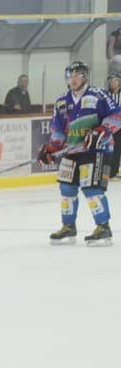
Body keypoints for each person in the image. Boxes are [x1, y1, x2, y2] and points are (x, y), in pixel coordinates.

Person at [39, 61, 121, 246]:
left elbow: (117, 115)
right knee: (66, 188)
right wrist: (52, 148)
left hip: (96, 149)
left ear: (85, 77)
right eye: (70, 76)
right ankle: (68, 226)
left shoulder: (98, 94)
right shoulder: (61, 101)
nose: (73, 79)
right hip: (72, 150)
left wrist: (102, 130)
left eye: (78, 75)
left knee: (92, 188)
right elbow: (58, 130)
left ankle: (103, 227)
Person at [108, 75, 121, 177]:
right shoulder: (106, 95)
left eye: (116, 81)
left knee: (117, 150)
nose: (114, 83)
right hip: (109, 127)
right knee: (111, 150)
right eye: (112, 81)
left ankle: (114, 171)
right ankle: (110, 171)